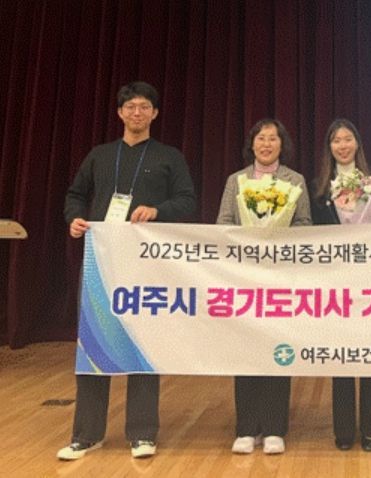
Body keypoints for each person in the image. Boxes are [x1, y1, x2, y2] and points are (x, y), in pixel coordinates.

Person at [58, 81, 197, 460]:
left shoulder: (169, 156)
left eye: (144, 107)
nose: (137, 113)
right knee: (93, 344)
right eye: (131, 107)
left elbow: (187, 200)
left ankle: (142, 433)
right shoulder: (100, 155)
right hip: (101, 264)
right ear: (120, 113)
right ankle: (86, 435)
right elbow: (75, 195)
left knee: (142, 344)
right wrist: (75, 218)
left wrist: (158, 210)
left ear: (155, 114)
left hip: (148, 265)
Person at [216, 118, 311, 454]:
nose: (267, 144)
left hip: (281, 279)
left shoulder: (295, 181)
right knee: (245, 351)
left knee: (278, 351)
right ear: (252, 144)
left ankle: (274, 428)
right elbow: (223, 223)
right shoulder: (236, 181)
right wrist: (248, 239)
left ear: (282, 145)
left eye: (273, 138)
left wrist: (278, 237)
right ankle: (246, 428)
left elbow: (305, 224)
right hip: (244, 278)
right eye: (261, 138)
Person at [311, 119, 371, 452]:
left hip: (370, 282)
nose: (342, 145)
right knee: (340, 355)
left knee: (369, 355)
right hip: (334, 283)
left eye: (347, 138)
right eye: (336, 140)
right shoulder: (319, 186)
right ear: (329, 147)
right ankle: (343, 430)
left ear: (357, 143)